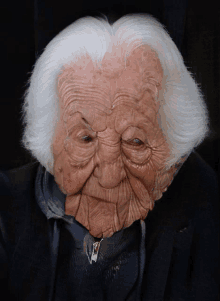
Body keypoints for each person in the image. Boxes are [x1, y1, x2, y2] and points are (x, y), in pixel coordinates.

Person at [0, 13, 219, 301]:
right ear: (48, 145)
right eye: (85, 138)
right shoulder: (4, 211)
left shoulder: (210, 219)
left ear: (173, 161)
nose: (109, 177)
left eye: (135, 142)